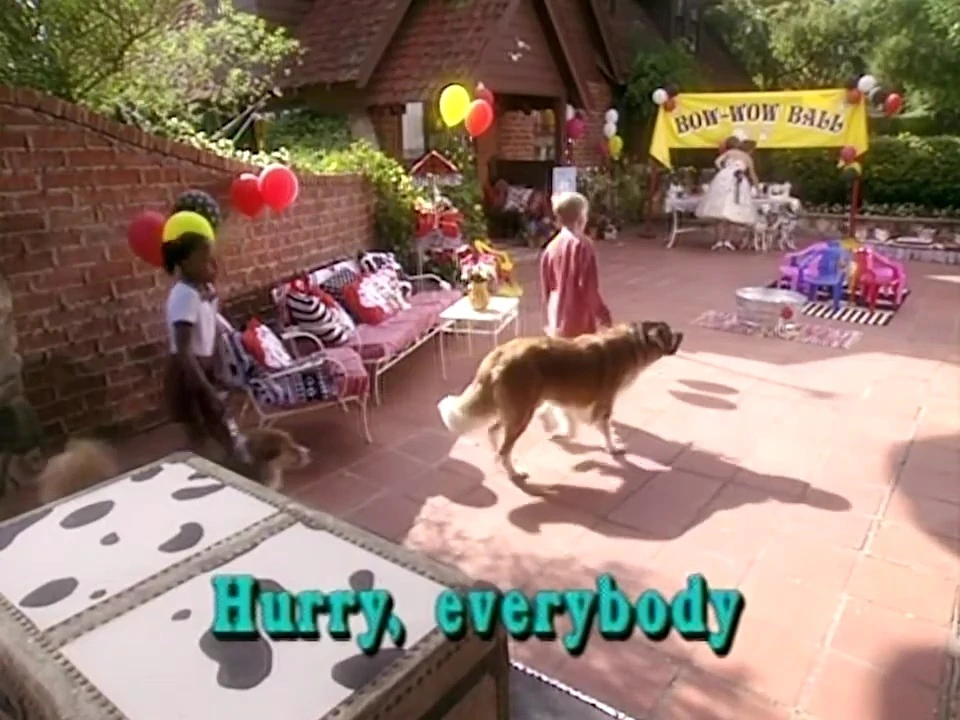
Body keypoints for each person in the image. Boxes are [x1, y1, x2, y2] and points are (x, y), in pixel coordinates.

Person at [538, 191, 612, 436]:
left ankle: (554, 411)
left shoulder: (550, 248)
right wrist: (602, 314)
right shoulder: (584, 245)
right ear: (582, 217)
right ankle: (574, 414)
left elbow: (546, 287)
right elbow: (588, 287)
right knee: (582, 370)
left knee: (560, 369)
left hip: (557, 315)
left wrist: (549, 317)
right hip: (579, 316)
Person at [162, 231, 233, 457]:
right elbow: (184, 350)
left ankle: (228, 466)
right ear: (185, 263)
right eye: (204, 259)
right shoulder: (185, 295)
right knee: (204, 437)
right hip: (190, 374)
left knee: (220, 431)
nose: (213, 264)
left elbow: (212, 332)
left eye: (213, 258)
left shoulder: (204, 291)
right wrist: (207, 390)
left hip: (203, 369)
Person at [697, 136, 759, 250]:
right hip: (738, 181)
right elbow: (752, 174)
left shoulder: (730, 153)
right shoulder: (747, 158)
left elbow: (717, 162)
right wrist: (757, 187)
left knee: (719, 210)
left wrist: (724, 169)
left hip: (724, 179)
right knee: (733, 212)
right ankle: (727, 240)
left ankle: (719, 240)